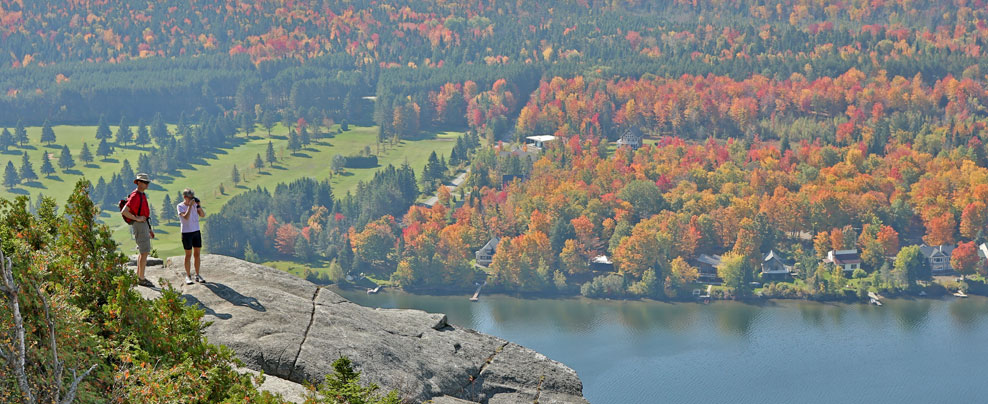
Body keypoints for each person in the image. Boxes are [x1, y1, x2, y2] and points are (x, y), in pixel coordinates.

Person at [121, 173, 155, 287]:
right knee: (144, 251)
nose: (147, 184)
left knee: (143, 251)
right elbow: (124, 211)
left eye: (147, 182)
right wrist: (137, 218)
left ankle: (139, 276)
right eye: (145, 182)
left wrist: (149, 229)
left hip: (143, 224)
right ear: (138, 183)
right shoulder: (135, 196)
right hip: (139, 225)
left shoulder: (142, 194)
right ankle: (141, 278)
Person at [177, 188, 206, 285]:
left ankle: (197, 274)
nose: (192, 199)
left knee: (197, 254)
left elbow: (202, 215)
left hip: (196, 231)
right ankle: (188, 275)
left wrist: (198, 206)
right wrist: (189, 206)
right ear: (185, 197)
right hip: (186, 233)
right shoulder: (180, 206)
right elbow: (185, 217)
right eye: (190, 198)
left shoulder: (195, 205)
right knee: (188, 255)